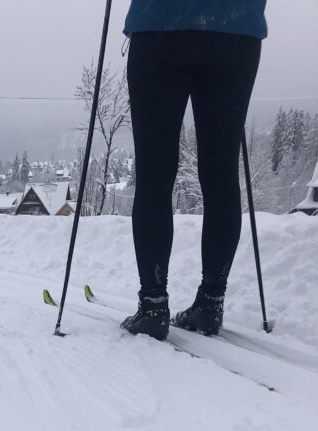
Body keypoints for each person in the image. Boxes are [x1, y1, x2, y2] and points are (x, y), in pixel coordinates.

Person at [120, 0, 267, 340]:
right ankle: (210, 304)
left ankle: (153, 306)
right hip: (236, 29)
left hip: (160, 24)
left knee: (155, 173)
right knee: (221, 174)